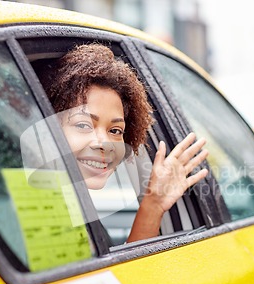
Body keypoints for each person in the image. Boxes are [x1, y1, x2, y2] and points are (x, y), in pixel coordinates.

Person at [39, 43, 208, 243]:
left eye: (115, 131)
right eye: (83, 125)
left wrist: (154, 203)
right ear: (46, 126)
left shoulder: (70, 208)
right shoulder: (33, 212)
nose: (105, 143)